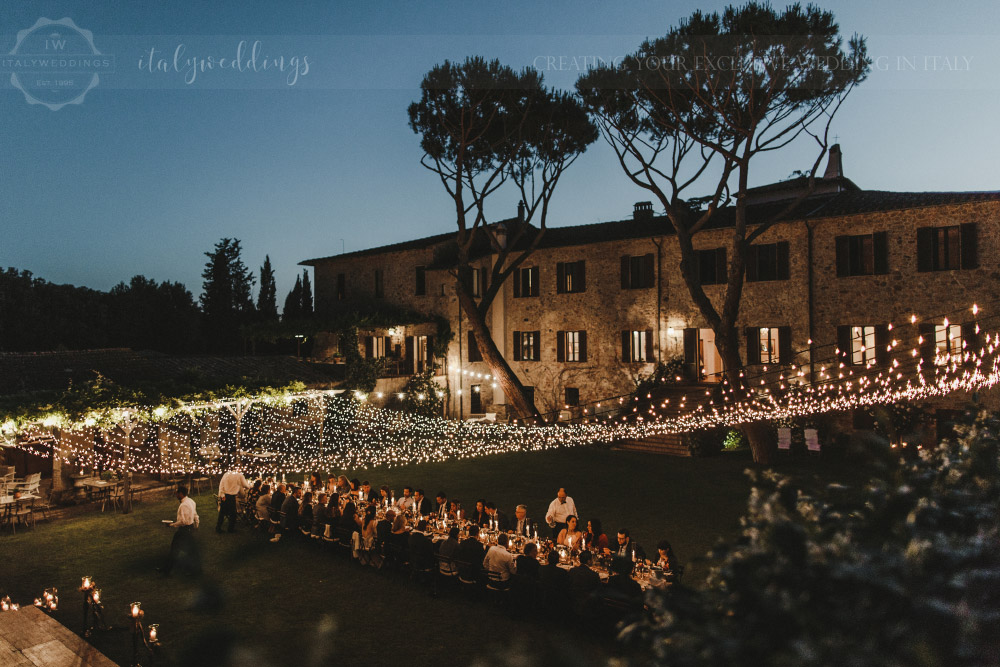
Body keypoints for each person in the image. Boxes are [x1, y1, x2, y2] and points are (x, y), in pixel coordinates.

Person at [160, 485, 200, 576]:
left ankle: (168, 570)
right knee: (188, 550)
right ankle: (167, 569)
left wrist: (171, 525)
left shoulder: (183, 505)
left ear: (181, 494)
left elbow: (183, 521)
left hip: (184, 531)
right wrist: (196, 525)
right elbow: (195, 515)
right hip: (190, 529)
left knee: (177, 549)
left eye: (177, 493)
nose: (176, 495)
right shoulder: (191, 501)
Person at [216, 468, 250, 533]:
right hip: (231, 497)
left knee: (222, 513)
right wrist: (249, 486)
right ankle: (230, 529)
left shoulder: (226, 474)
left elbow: (221, 485)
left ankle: (218, 527)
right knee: (233, 514)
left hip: (224, 496)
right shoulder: (239, 475)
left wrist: (222, 494)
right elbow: (245, 485)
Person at [568, 550, 601, 616]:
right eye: (591, 559)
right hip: (587, 606)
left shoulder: (572, 571)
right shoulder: (594, 575)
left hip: (572, 602)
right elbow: (598, 592)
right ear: (589, 561)